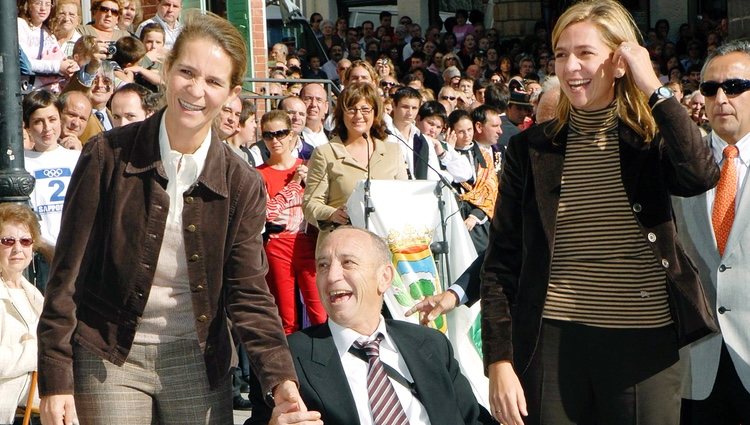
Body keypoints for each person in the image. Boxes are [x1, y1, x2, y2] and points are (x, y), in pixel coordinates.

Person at [37, 12, 303, 425]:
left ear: (232, 94)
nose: (197, 91)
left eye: (214, 82)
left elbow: (248, 292)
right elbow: (67, 274)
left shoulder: (242, 182)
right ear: (166, 70)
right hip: (108, 351)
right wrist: (56, 378)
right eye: (187, 73)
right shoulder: (106, 156)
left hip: (197, 357)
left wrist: (281, 380)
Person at [480, 1, 720, 424]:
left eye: (585, 53)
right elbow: (502, 260)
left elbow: (699, 174)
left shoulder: (650, 139)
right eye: (560, 54)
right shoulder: (529, 150)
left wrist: (653, 85)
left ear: (620, 61)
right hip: (551, 343)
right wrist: (499, 359)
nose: (570, 67)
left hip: (644, 343)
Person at [247, 226, 488, 425]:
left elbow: (473, 419)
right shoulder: (285, 360)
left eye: (348, 263)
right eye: (322, 265)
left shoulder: (431, 345)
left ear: (384, 278)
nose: (332, 276)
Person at [676, 40, 750, 425]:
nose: (721, 97)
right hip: (696, 367)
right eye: (710, 88)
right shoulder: (677, 164)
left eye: (735, 87)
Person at [303, 82, 407, 249]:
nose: (358, 115)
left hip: (384, 248)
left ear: (375, 113)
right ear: (341, 114)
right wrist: (333, 214)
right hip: (341, 247)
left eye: (365, 109)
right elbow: (310, 205)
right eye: (351, 109)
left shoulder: (393, 152)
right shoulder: (325, 153)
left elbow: (405, 199)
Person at [256, 110, 326, 335]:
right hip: (277, 245)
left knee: (320, 312)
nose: (275, 140)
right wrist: (295, 184)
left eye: (281, 133)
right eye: (268, 135)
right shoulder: (259, 174)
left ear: (291, 135)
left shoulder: (308, 165)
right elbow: (268, 212)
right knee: (287, 318)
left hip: (308, 242)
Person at [22, 89, 81, 259]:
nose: (47, 128)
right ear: (27, 126)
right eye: (38, 122)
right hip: (41, 254)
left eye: (52, 119)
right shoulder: (22, 163)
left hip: (76, 251)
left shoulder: (76, 159)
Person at [0, 204, 45, 425]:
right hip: (12, 413)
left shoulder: (33, 294)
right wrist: (35, 350)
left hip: (39, 407)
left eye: (25, 241)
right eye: (8, 241)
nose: (18, 248)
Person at [18, 0, 79, 92]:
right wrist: (58, 66)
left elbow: (60, 59)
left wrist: (70, 65)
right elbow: (26, 64)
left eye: (47, 4)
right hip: (30, 92)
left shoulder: (47, 31)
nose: (43, 8)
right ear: (28, 6)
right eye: (38, 3)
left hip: (52, 91)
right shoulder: (20, 24)